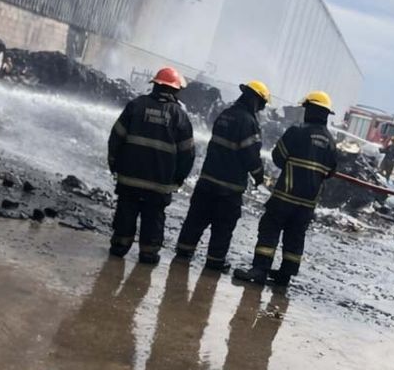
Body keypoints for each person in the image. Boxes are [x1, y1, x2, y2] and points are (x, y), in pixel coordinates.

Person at [232, 90, 338, 289]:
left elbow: (278, 157)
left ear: (310, 110)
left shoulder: (297, 131)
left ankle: (260, 269)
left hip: (285, 196)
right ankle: (285, 276)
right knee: (295, 236)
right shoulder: (331, 142)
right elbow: (331, 171)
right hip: (308, 203)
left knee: (269, 229)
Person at [175, 80, 270, 272]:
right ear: (256, 101)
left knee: (195, 219)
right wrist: (259, 177)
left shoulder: (226, 114)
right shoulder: (248, 122)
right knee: (223, 226)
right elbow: (251, 155)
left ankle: (183, 251)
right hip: (229, 187)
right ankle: (215, 261)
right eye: (261, 104)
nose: (260, 109)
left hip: (207, 180)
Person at [107, 66, 195, 264]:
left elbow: (116, 138)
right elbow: (187, 153)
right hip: (159, 184)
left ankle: (119, 247)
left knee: (125, 212)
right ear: (175, 89)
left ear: (155, 85)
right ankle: (148, 254)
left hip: (129, 178)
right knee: (153, 218)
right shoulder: (179, 116)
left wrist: (114, 164)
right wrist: (178, 178)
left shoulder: (136, 105)